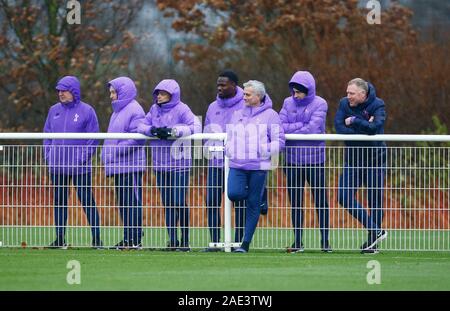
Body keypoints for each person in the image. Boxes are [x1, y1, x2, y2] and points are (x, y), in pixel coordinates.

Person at [136, 79, 201, 252]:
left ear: (172, 95)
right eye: (158, 93)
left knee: (179, 201)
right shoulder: (153, 109)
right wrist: (153, 131)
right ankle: (172, 241)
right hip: (160, 165)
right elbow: (140, 126)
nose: (159, 96)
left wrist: (173, 132)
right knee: (168, 203)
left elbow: (196, 126)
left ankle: (185, 241)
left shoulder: (182, 109)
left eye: (163, 93)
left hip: (180, 164)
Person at [226, 80, 285, 253]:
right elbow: (229, 136)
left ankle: (245, 244)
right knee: (234, 194)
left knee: (252, 203)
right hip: (237, 164)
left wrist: (263, 150)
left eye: (247, 94)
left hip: (258, 166)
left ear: (258, 96)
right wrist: (230, 150)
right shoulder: (237, 113)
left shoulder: (271, 115)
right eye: (244, 93)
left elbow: (279, 141)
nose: (243, 97)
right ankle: (261, 196)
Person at [43, 75, 102, 249]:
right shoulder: (53, 110)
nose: (60, 93)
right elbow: (46, 136)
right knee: (59, 202)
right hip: (57, 168)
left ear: (74, 91)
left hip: (80, 169)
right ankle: (60, 239)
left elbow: (94, 138)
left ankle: (97, 240)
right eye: (59, 90)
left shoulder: (87, 111)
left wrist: (80, 159)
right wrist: (49, 156)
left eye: (64, 90)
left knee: (87, 202)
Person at [279, 70, 331, 253]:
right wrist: (299, 127)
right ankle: (298, 241)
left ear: (308, 90)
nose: (295, 95)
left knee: (321, 201)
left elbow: (312, 128)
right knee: (296, 202)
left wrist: (291, 131)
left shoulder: (320, 103)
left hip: (315, 160)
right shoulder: (287, 102)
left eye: (299, 91)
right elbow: (280, 126)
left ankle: (325, 242)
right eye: (293, 91)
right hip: (292, 160)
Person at [334, 78, 387, 254]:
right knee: (343, 196)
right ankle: (376, 230)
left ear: (363, 94)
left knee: (375, 201)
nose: (347, 96)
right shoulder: (343, 103)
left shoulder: (378, 105)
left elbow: (375, 128)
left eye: (351, 93)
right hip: (353, 160)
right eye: (347, 93)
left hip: (375, 160)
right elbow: (339, 128)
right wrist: (364, 126)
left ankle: (372, 243)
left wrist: (354, 121)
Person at [203, 70, 249, 252]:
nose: (219, 88)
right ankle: (215, 242)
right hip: (215, 163)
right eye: (218, 85)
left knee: (239, 202)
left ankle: (239, 242)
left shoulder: (244, 106)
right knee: (212, 201)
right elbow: (207, 133)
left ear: (234, 85)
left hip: (237, 164)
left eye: (223, 85)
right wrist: (210, 149)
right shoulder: (212, 107)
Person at [102, 76, 146, 250]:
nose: (111, 96)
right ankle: (128, 238)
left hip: (131, 166)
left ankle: (135, 239)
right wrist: (106, 156)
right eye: (110, 92)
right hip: (120, 166)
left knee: (132, 202)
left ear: (123, 92)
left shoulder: (135, 110)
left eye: (114, 92)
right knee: (124, 203)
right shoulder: (117, 111)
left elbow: (138, 139)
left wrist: (115, 151)